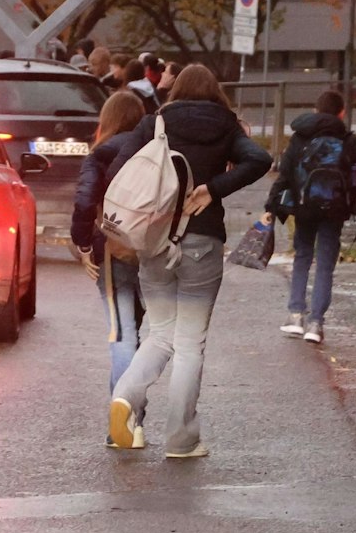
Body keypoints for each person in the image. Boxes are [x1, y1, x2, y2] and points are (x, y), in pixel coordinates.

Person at [92, 63, 271, 454]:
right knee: (190, 344)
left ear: (177, 92)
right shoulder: (225, 125)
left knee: (158, 335)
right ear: (214, 92)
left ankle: (124, 396)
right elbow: (259, 159)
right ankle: (181, 438)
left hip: (155, 243)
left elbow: (120, 169)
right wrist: (213, 188)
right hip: (203, 243)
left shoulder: (155, 123)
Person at [71, 92, 152, 439]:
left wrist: (84, 243)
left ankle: (125, 420)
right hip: (155, 250)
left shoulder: (101, 153)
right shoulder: (155, 151)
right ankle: (134, 412)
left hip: (113, 249)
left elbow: (85, 200)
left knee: (122, 334)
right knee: (145, 332)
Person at [267, 89, 356, 344]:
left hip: (304, 206)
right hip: (334, 209)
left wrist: (272, 203)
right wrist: (350, 203)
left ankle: (295, 314)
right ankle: (316, 323)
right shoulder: (349, 140)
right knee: (325, 264)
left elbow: (286, 173)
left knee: (302, 256)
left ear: (315, 111)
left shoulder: (301, 137)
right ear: (341, 112)